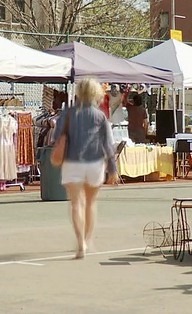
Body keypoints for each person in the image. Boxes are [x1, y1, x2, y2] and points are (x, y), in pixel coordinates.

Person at [52, 78, 119, 259]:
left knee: (76, 204)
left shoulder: (67, 114)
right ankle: (88, 241)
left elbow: (56, 137)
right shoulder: (100, 116)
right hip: (95, 162)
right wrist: (113, 168)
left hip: (72, 162)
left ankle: (80, 241)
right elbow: (108, 144)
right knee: (91, 203)